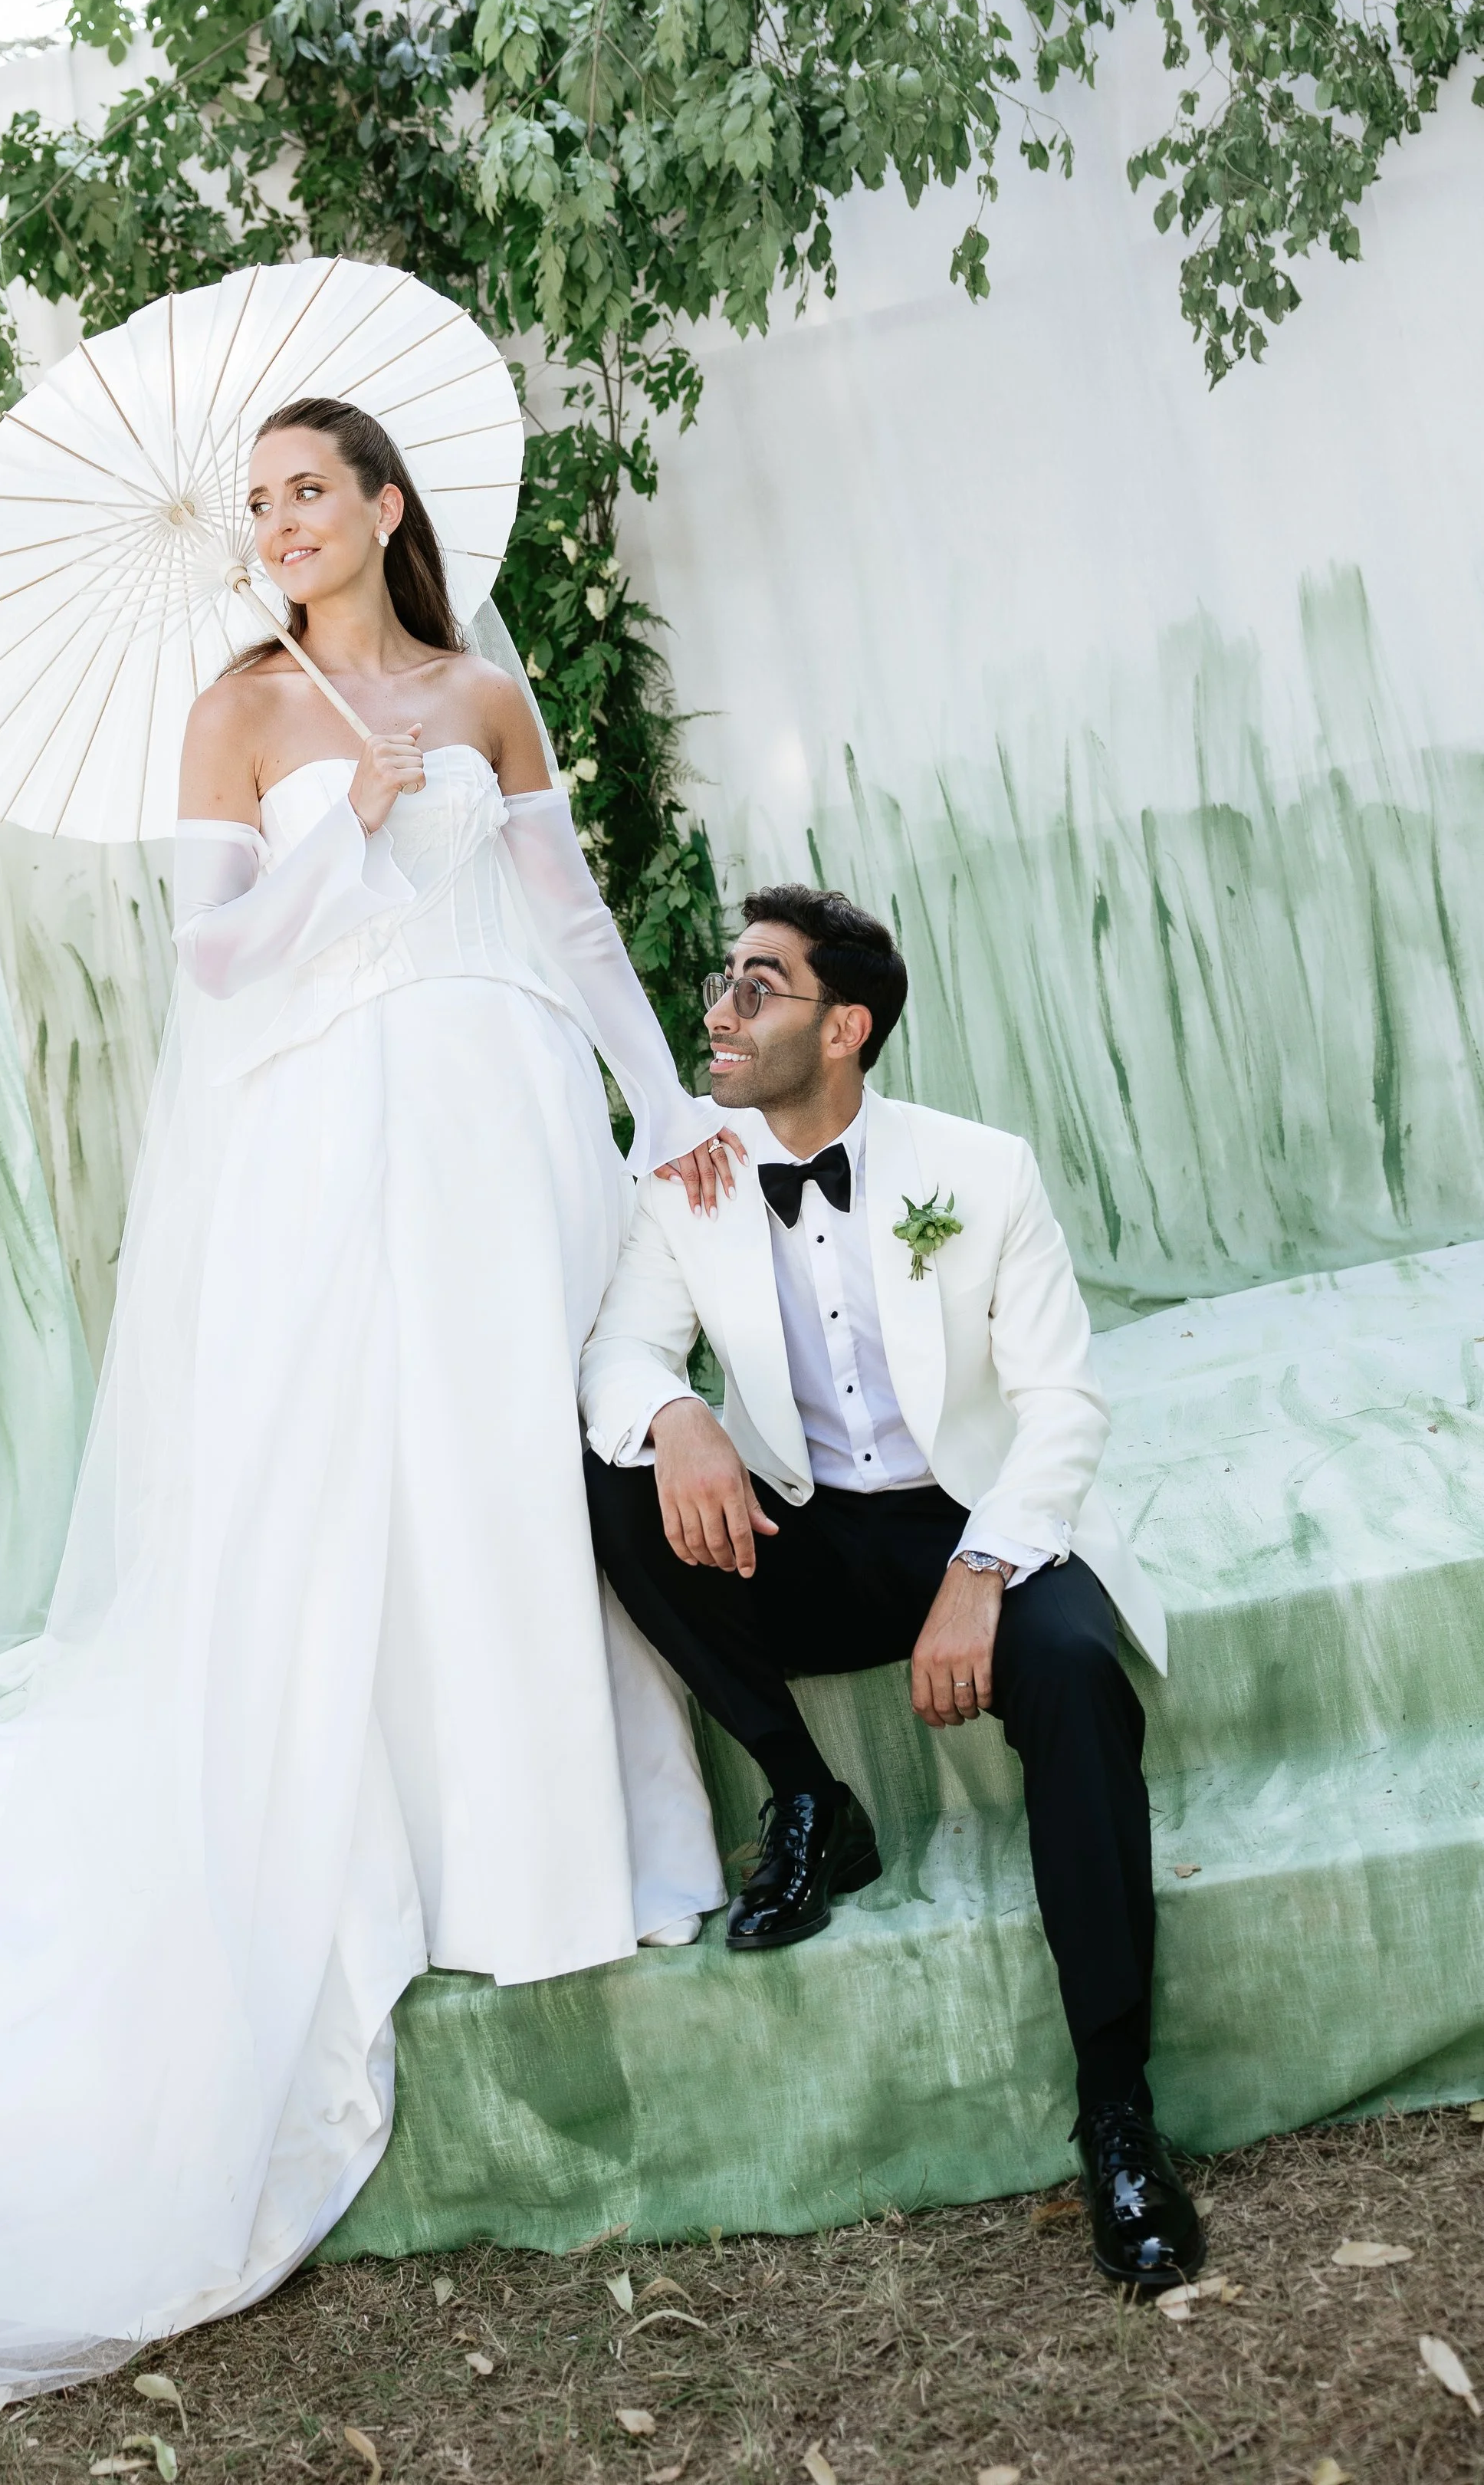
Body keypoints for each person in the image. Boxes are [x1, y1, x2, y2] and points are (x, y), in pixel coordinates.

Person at [0, 398, 732, 2417]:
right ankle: (389, 1851)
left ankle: (555, 1844)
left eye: (312, 489)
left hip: (499, 1112)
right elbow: (214, 962)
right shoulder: (237, 715)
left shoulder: (478, 689)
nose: (283, 521)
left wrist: (665, 1103)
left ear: (385, 506)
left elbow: (563, 920)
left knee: (504, 1479)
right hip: (323, 1136)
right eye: (260, 500)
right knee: (344, 1496)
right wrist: (338, 844)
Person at [580, 883, 1206, 2292]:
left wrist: (985, 1566)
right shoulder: (688, 1171)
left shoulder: (980, 1170)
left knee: (1073, 1677)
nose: (720, 1010)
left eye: (760, 987)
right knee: (610, 1479)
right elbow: (621, 1354)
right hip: (806, 1530)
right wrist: (677, 1418)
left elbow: (1064, 1406)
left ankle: (1116, 2109)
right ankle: (809, 1793)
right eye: (722, 981)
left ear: (846, 1027)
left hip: (983, 1522)